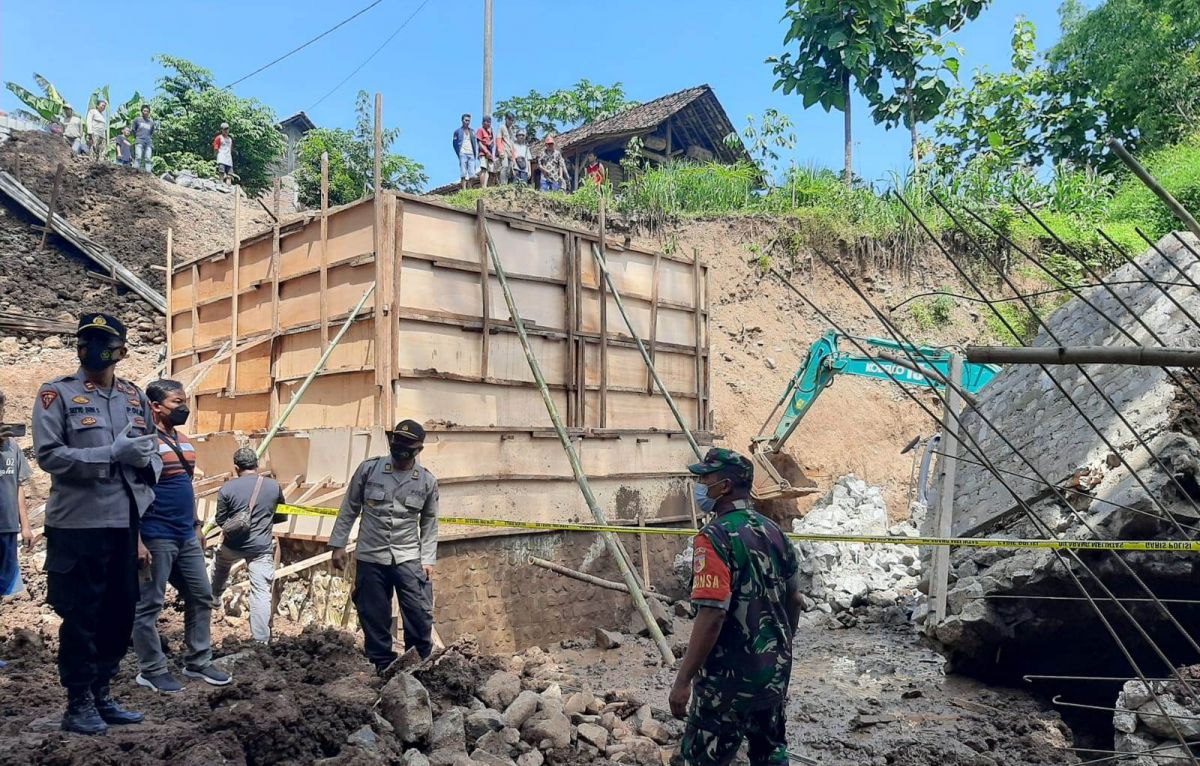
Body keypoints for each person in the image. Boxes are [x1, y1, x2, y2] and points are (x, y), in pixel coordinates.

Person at [33, 313, 160, 735]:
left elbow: (152, 452)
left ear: (121, 351)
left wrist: (146, 462)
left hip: (123, 523)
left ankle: (104, 691)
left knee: (119, 612)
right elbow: (49, 456)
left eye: (103, 341)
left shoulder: (133, 396)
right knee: (82, 613)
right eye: (86, 340)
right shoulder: (58, 394)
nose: (92, 348)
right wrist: (110, 453)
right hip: (78, 524)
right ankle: (78, 701)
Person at [668, 448, 803, 766]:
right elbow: (795, 599)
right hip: (773, 674)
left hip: (728, 682)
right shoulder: (775, 532)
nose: (700, 485)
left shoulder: (714, 537)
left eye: (706, 478)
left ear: (724, 486)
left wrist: (682, 681)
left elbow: (713, 614)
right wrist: (780, 649)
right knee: (769, 753)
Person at [131, 380, 230, 693]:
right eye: (177, 402)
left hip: (185, 535)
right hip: (154, 534)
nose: (183, 408)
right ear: (155, 406)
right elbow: (130, 491)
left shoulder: (185, 442)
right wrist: (136, 539)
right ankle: (151, 668)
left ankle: (198, 660)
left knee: (201, 594)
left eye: (184, 401)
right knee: (149, 605)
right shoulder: (142, 442)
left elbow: (187, 487)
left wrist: (197, 525)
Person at [329, 420, 439, 671]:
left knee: (419, 614)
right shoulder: (370, 470)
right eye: (397, 442)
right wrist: (338, 545)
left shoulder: (426, 481)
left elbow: (430, 521)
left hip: (408, 557)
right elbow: (349, 508)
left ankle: (419, 665)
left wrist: (428, 559)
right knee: (373, 615)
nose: (400, 448)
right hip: (371, 555)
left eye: (407, 445)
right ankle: (381, 666)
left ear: (418, 449)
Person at [210, 447, 286, 644]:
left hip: (232, 544)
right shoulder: (273, 486)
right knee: (261, 592)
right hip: (261, 548)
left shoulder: (227, 489)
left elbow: (221, 520)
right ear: (257, 465)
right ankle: (261, 639)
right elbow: (281, 515)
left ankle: (215, 595)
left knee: (221, 565)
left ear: (236, 468)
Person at [0, 389, 33, 600]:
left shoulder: (12, 446)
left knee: (9, 590)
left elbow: (19, 485)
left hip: (8, 527)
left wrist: (26, 526)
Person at [452, 113, 478, 191]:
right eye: (466, 120)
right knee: (463, 172)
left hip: (471, 153)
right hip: (463, 153)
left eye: (469, 121)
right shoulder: (457, 131)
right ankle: (464, 188)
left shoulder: (472, 131)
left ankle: (469, 187)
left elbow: (474, 142)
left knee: (472, 174)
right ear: (462, 120)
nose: (467, 122)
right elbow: (454, 143)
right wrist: (459, 153)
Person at [132, 105, 156, 173]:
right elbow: (133, 130)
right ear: (142, 111)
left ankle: (148, 174)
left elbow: (151, 132)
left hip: (148, 142)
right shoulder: (137, 120)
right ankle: (135, 172)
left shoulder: (151, 122)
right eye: (144, 111)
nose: (145, 112)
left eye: (147, 111)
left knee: (148, 158)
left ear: (149, 112)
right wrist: (137, 137)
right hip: (139, 140)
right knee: (138, 157)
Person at [476, 115, 496, 189]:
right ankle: (483, 186)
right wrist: (486, 151)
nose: (488, 124)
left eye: (489, 122)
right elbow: (479, 143)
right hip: (483, 153)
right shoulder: (480, 130)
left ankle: (486, 185)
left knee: (490, 170)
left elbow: (492, 143)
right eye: (487, 122)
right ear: (483, 122)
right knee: (483, 169)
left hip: (490, 154)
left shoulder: (490, 132)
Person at [497, 113, 517, 184]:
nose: (511, 122)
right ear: (506, 119)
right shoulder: (502, 127)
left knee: (510, 170)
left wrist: (514, 157)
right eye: (509, 120)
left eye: (512, 120)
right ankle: (503, 185)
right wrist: (500, 151)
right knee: (504, 167)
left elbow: (513, 144)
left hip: (510, 152)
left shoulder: (511, 130)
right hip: (504, 150)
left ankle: (509, 185)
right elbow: (498, 139)